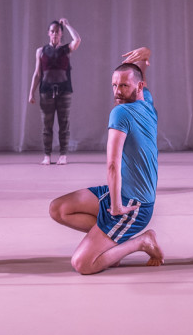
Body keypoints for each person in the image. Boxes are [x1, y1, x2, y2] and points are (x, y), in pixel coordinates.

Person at [49, 47, 164, 275]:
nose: (117, 91)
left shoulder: (121, 113)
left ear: (138, 87)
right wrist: (146, 56)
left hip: (133, 205)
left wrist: (116, 206)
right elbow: (140, 73)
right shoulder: (147, 103)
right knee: (58, 209)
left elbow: (112, 165)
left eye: (123, 85)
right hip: (119, 193)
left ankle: (142, 241)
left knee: (83, 264)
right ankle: (111, 241)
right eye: (114, 85)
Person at [28, 19, 81, 165]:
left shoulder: (66, 49)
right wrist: (31, 92)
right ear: (48, 33)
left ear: (61, 34)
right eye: (52, 31)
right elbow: (37, 73)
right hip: (46, 91)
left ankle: (63, 155)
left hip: (64, 91)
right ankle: (47, 155)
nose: (55, 34)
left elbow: (77, 39)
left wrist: (68, 25)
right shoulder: (41, 51)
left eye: (57, 31)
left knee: (64, 123)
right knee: (47, 125)